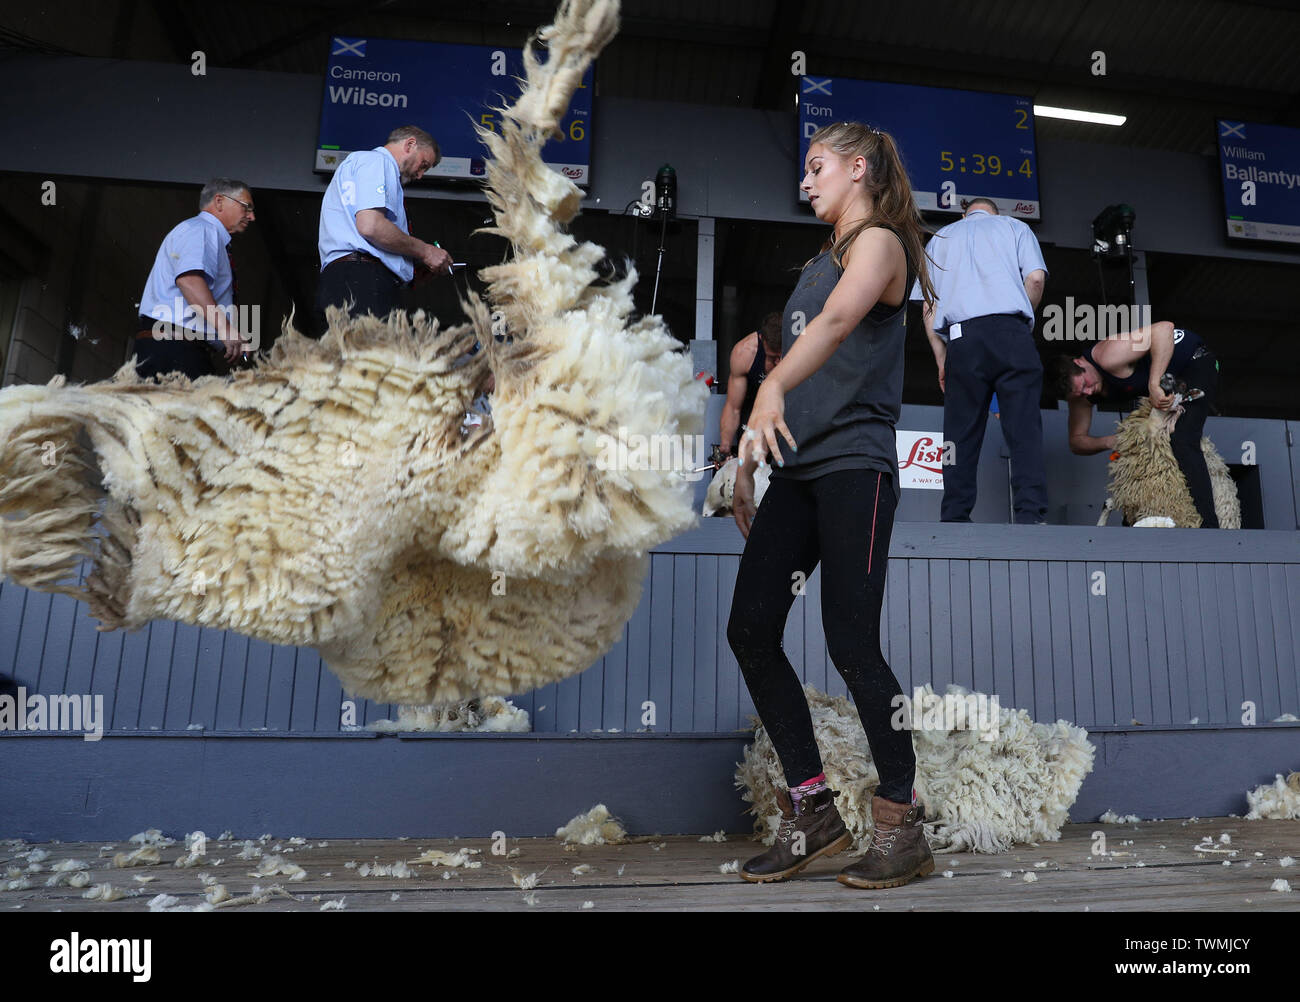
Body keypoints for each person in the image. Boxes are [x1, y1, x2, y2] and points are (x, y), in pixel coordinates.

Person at [727, 122, 937, 890]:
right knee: (750, 626)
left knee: (851, 640)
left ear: (858, 169)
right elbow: (797, 358)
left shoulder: (879, 244)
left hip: (857, 469)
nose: (805, 182)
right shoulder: (816, 263)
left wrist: (772, 384)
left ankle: (900, 822)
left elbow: (841, 322)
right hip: (799, 470)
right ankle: (813, 810)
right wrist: (750, 458)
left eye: (816, 167)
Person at [914, 197, 1049, 524]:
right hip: (1011, 331)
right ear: (995, 212)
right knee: (1023, 428)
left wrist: (941, 357)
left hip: (963, 338)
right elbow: (1035, 280)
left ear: (965, 214)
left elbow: (928, 306)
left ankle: (954, 516)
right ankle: (1030, 514)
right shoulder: (1015, 227)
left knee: (958, 435)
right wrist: (1019, 317)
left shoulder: (941, 238)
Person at [1052, 321, 1221, 528]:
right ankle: (1139, 520)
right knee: (1142, 452)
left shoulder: (1108, 355)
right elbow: (1077, 442)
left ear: (1080, 362)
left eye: (1086, 384)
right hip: (1166, 386)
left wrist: (1153, 383)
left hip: (1193, 363)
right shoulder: (1081, 396)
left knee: (1183, 439)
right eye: (1080, 393)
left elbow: (1164, 330)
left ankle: (1210, 526)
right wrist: (1111, 441)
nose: (1088, 393)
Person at [313, 125, 453, 338]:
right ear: (410, 144)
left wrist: (410, 271)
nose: (421, 175)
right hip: (362, 281)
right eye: (423, 164)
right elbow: (371, 225)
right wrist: (426, 251)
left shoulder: (364, 166)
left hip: (349, 281)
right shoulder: (377, 162)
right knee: (372, 364)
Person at [135, 178, 253, 379]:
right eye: (246, 208)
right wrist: (226, 330)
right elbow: (189, 280)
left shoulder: (207, 234)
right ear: (219, 202)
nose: (251, 216)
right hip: (174, 349)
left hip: (179, 348)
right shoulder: (202, 230)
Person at [719, 313, 783, 456]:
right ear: (762, 339)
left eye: (781, 356)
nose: (778, 362)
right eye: (773, 357)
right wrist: (725, 447)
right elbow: (733, 407)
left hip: (787, 412)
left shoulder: (800, 348)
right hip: (754, 411)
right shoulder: (744, 353)